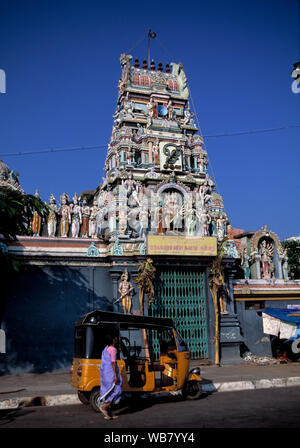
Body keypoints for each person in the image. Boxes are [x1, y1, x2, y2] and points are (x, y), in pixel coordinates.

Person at [99, 334, 122, 420]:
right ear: (112, 340)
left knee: (110, 391)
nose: (116, 338)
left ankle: (109, 413)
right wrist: (116, 376)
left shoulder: (106, 349)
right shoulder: (113, 350)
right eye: (115, 337)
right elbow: (113, 363)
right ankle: (104, 407)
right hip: (111, 373)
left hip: (106, 374)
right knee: (117, 390)